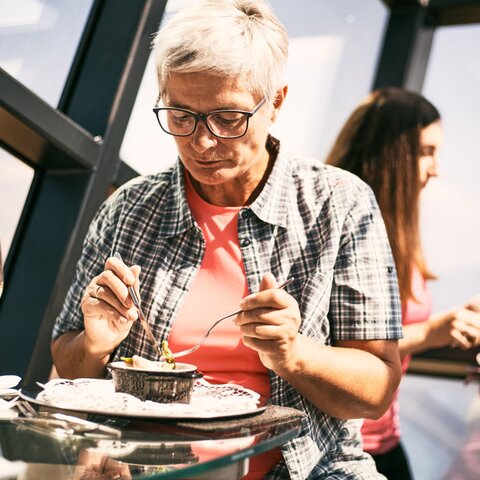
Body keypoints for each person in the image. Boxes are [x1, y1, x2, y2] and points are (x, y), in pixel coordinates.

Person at [51, 1, 403, 478]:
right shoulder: (129, 208)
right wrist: (94, 344)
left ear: (275, 102)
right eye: (181, 115)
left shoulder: (338, 204)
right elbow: (69, 364)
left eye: (229, 118)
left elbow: (377, 389)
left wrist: (293, 354)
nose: (202, 142)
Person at [325, 87, 480, 480]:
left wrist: (452, 322)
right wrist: (431, 331)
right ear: (392, 151)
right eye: (426, 151)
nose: (437, 167)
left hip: (384, 439)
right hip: (340, 446)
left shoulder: (398, 231)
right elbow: (332, 346)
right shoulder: (339, 230)